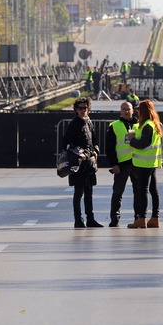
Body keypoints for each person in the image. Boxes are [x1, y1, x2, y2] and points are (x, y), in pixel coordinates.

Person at [63, 96, 102, 228]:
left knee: (89, 192)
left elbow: (95, 141)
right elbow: (66, 144)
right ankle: (78, 220)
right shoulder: (73, 124)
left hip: (89, 163)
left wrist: (95, 150)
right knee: (78, 192)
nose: (83, 110)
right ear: (75, 109)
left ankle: (90, 219)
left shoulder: (89, 122)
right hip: (79, 164)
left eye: (85, 108)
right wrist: (79, 153)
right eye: (80, 108)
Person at [127, 99, 163, 228]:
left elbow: (143, 143)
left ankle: (142, 218)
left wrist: (132, 140)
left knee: (143, 191)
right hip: (152, 162)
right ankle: (155, 218)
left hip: (144, 163)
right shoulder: (154, 124)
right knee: (153, 190)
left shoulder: (147, 125)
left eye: (138, 110)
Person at [106, 101, 138, 227]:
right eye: (124, 109)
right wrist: (114, 164)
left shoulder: (139, 125)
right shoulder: (114, 126)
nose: (126, 111)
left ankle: (138, 217)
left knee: (139, 193)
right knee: (117, 192)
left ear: (132, 110)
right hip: (122, 164)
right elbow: (109, 147)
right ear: (120, 111)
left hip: (137, 163)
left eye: (128, 109)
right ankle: (115, 217)